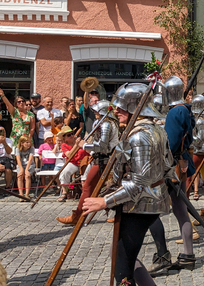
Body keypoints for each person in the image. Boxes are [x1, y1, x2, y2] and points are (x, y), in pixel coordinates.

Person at [82, 82, 175, 286]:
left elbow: (139, 185)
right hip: (146, 202)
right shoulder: (155, 130)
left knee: (123, 273)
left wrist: (104, 202)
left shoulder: (140, 136)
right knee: (124, 259)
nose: (116, 110)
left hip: (139, 206)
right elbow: (169, 167)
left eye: (121, 106)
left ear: (135, 107)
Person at [148, 76, 197, 272]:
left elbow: (170, 143)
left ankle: (163, 255)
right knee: (179, 209)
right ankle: (187, 254)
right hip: (179, 163)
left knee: (151, 207)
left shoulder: (176, 112)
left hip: (172, 166)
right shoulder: (183, 109)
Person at [57, 100, 120, 225]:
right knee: (106, 188)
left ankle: (78, 216)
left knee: (90, 188)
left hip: (106, 160)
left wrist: (85, 146)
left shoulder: (107, 124)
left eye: (97, 110)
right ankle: (118, 215)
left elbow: (103, 147)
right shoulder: (102, 122)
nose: (95, 112)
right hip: (101, 159)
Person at [57, 127, 88, 202]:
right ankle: (65, 191)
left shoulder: (80, 141)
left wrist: (83, 144)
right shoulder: (64, 145)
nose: (71, 136)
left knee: (85, 174)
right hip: (73, 163)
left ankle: (85, 193)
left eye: (72, 134)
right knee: (64, 172)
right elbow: (69, 155)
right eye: (68, 135)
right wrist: (76, 145)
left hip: (84, 162)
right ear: (64, 138)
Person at [15, 135, 35, 200]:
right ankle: (21, 194)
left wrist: (26, 170)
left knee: (27, 176)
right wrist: (21, 169)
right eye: (26, 142)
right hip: (21, 165)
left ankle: (27, 194)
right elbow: (18, 159)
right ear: (22, 143)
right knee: (20, 176)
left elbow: (30, 159)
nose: (28, 144)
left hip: (30, 165)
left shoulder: (32, 148)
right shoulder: (17, 149)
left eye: (29, 142)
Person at [0, 126, 14, 191]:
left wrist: (4, 143)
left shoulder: (8, 140)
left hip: (7, 158)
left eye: (3, 132)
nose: (2, 133)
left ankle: (7, 187)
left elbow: (9, 152)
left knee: (8, 169)